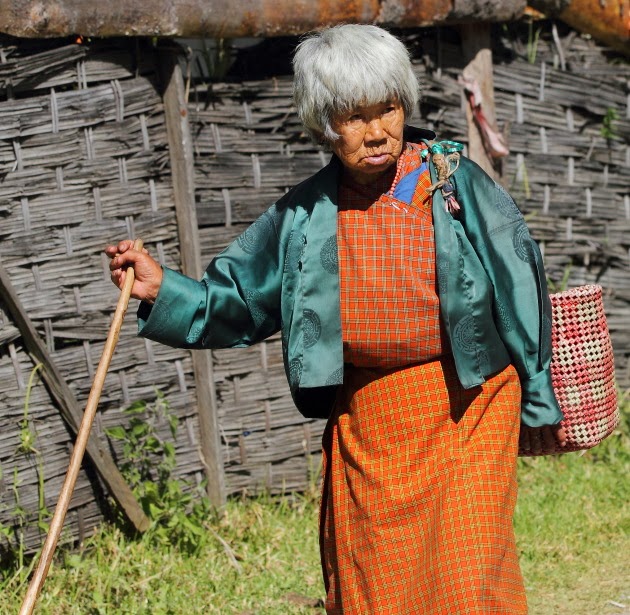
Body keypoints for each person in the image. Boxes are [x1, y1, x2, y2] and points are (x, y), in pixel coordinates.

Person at [107, 24, 566, 614]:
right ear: (323, 122)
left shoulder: (455, 186)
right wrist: (160, 288)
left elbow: (518, 279)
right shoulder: (304, 215)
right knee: (377, 586)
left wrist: (536, 394)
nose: (376, 132)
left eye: (388, 109)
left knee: (468, 569)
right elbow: (241, 299)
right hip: (369, 422)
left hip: (468, 405)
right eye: (353, 116)